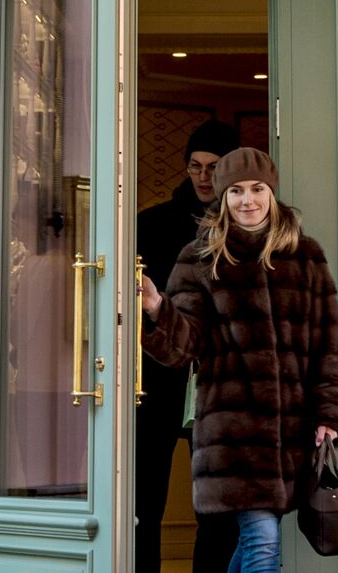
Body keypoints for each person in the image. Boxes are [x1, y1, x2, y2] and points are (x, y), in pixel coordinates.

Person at [140, 147, 338, 573]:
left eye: (256, 189)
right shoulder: (198, 258)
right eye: (235, 190)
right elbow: (183, 349)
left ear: (271, 192)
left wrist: (326, 412)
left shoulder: (307, 257)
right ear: (222, 196)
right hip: (230, 432)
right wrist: (159, 309)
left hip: (290, 427)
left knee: (252, 541)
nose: (247, 200)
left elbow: (327, 345)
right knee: (264, 541)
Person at [136, 119, 241, 573]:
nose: (202, 176)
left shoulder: (247, 225)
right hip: (158, 375)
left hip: (218, 383)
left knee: (215, 509)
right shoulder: (150, 223)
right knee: (143, 499)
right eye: (195, 166)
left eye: (212, 167)